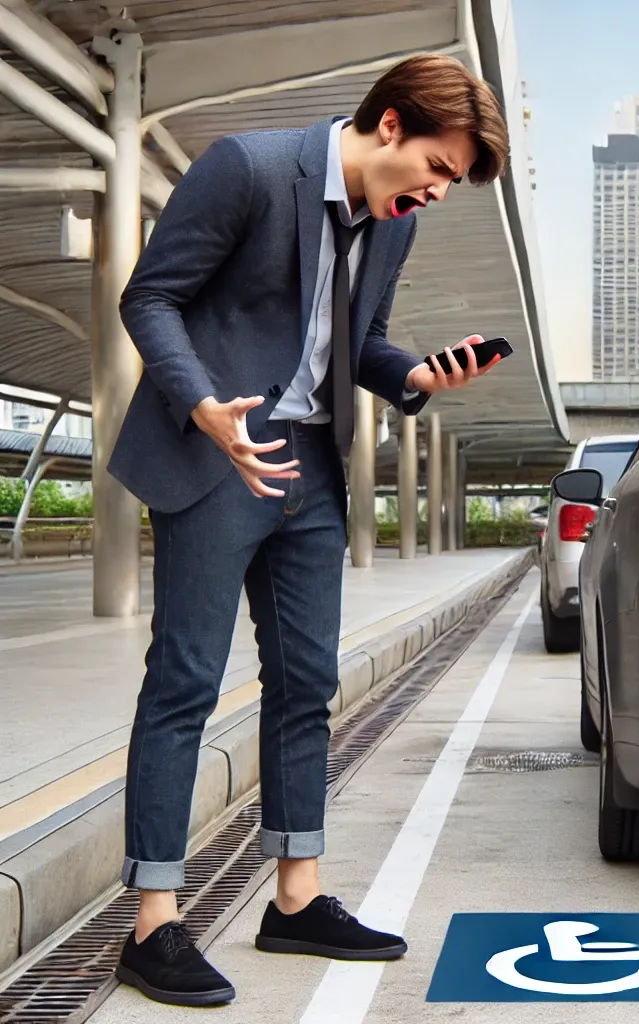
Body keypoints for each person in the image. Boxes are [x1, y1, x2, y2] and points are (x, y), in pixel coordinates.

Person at [106, 53, 510, 1008]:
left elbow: (352, 341)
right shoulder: (248, 169)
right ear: (389, 127)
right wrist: (202, 404)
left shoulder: (392, 223)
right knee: (185, 682)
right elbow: (148, 296)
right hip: (218, 455)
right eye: (440, 168)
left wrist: (416, 376)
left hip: (313, 474)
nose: (440, 192)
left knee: (306, 686)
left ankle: (296, 897)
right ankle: (154, 924)